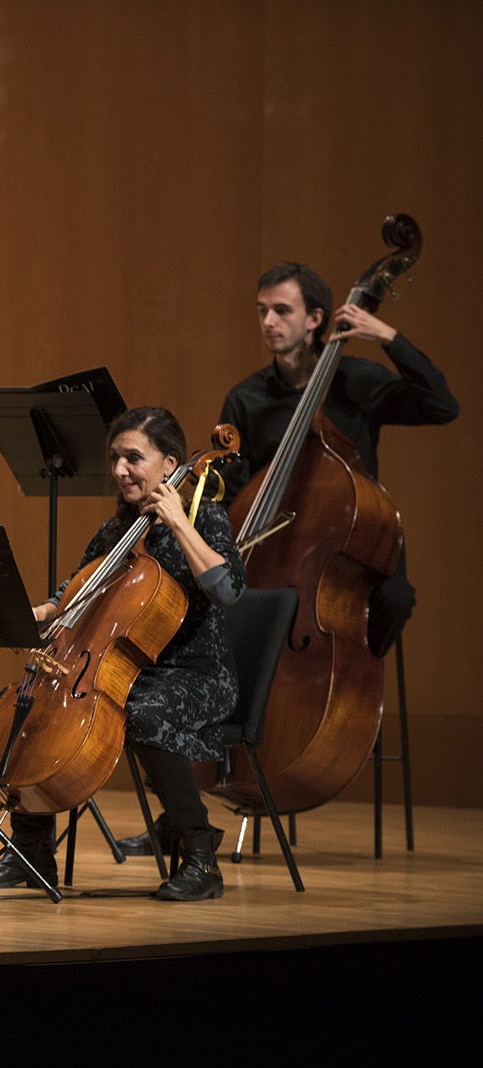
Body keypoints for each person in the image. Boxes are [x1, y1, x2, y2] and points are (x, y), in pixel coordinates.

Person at [119, 261, 458, 855]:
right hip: (271, 551)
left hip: (350, 550)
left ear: (317, 319)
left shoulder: (356, 380)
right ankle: (183, 807)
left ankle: (345, 693)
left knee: (397, 596)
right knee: (201, 629)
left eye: (281, 311)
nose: (268, 322)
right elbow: (228, 485)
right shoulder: (247, 397)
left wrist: (388, 338)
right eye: (261, 311)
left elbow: (441, 405)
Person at [0, 407, 244, 901]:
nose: (120, 470)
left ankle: (200, 857)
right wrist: (36, 611)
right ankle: (32, 852)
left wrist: (178, 522)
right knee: (31, 707)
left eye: (134, 458)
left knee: (142, 715)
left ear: (170, 464)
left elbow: (228, 589)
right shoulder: (115, 529)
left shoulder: (205, 515)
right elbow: (73, 593)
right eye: (115, 458)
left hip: (197, 675)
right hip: (126, 669)